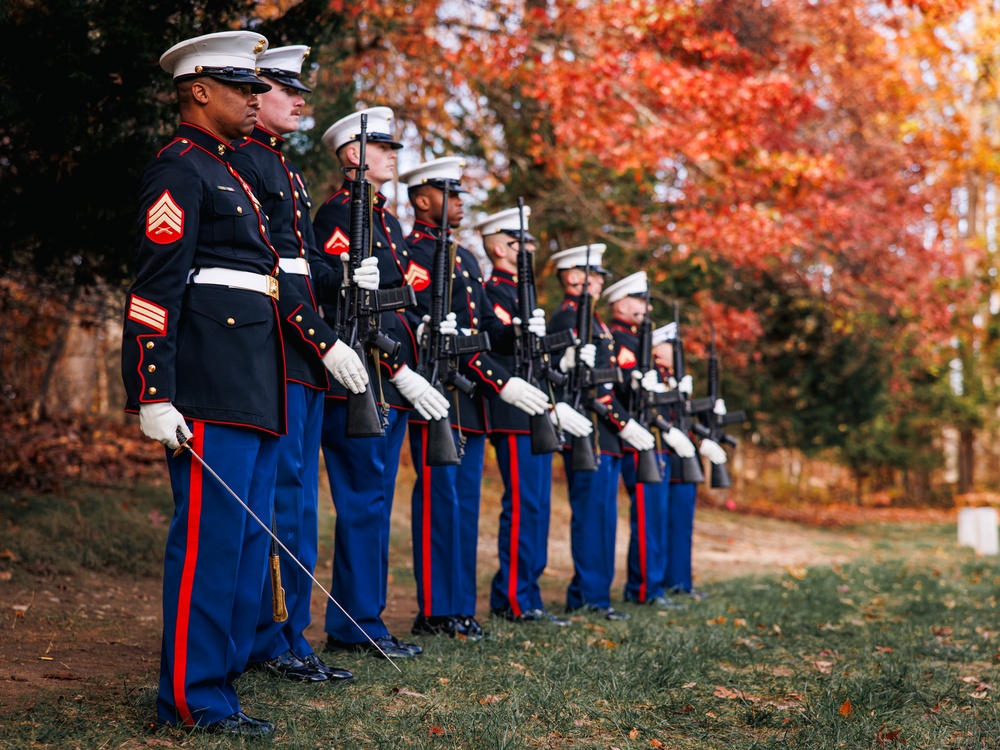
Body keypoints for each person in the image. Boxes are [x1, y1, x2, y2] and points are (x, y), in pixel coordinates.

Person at [121, 31, 360, 737]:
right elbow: (153, 291)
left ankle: (219, 687)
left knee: (247, 543)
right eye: (243, 88)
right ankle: (191, 699)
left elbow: (269, 284)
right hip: (209, 383)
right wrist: (152, 391)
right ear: (198, 90)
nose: (257, 100)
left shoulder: (233, 172)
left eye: (260, 89)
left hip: (254, 382)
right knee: (211, 542)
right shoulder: (181, 170)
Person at [228, 44, 370, 684]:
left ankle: (290, 635)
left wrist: (341, 277)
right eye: (286, 88)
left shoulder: (279, 166)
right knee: (284, 501)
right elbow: (269, 270)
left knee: (299, 500)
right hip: (282, 352)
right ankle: (276, 636)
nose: (299, 99)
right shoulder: (248, 163)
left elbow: (300, 264)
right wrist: (321, 337)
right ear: (253, 95)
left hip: (303, 354)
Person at [313, 107, 449, 658]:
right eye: (385, 148)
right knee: (364, 501)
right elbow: (346, 309)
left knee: (374, 500)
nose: (396, 156)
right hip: (361, 377)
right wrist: (397, 369)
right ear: (354, 155)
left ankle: (361, 617)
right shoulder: (337, 215)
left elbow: (391, 308)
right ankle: (355, 623)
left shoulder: (385, 220)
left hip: (388, 379)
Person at [398, 159, 550, 639]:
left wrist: (518, 333)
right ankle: (436, 609)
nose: (462, 200)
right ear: (422, 200)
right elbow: (413, 317)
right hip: (436, 392)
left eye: (462, 193)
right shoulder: (414, 252)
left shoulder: (464, 260)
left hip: (470, 400)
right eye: (451, 193)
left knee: (463, 506)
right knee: (438, 503)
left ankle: (460, 606)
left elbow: (483, 329)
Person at [477, 207, 592, 625]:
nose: (527, 249)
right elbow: (498, 348)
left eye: (528, 243)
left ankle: (528, 594)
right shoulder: (493, 292)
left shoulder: (521, 295)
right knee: (525, 505)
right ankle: (512, 597)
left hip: (537, 409)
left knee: (538, 506)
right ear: (497, 245)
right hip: (512, 410)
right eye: (518, 241)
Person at [547, 245, 656, 621]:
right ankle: (588, 596)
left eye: (598, 276)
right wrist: (625, 424)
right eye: (591, 275)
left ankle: (597, 595)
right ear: (573, 276)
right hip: (586, 430)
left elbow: (606, 383)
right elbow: (576, 383)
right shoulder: (567, 317)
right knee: (593, 517)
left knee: (604, 518)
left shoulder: (594, 322)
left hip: (602, 434)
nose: (597, 281)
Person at [604, 275, 692, 610]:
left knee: (654, 517)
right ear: (622, 304)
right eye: (640, 301)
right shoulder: (619, 340)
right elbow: (624, 391)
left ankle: (651, 587)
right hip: (636, 440)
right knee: (646, 517)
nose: (647, 307)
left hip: (649, 442)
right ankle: (643, 588)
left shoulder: (632, 341)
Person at [651, 326, 712, 601]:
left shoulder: (676, 379)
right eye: (669, 345)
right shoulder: (654, 375)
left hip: (683, 455)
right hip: (663, 451)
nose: (675, 352)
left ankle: (680, 581)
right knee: (662, 521)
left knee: (682, 524)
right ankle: (659, 582)